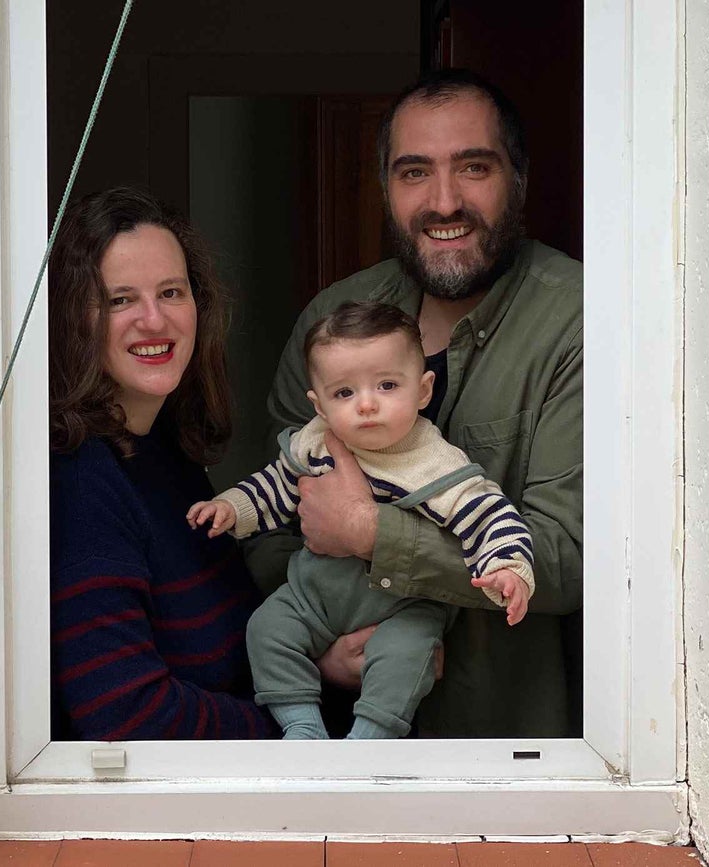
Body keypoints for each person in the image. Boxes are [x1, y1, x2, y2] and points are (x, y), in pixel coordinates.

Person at [244, 68, 584, 738]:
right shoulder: (330, 320)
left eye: (474, 167)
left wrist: (372, 534)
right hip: (337, 738)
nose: (445, 200)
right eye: (414, 172)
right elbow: (267, 531)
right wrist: (323, 645)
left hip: (504, 745)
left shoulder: (576, 319)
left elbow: (567, 557)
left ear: (520, 179)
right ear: (385, 189)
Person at [188, 302, 534, 739]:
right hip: (314, 598)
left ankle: (370, 737)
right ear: (319, 406)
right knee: (267, 628)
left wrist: (506, 566)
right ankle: (301, 725)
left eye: (387, 385)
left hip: (400, 609)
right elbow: (275, 488)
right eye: (344, 394)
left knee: (409, 652)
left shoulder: (433, 464)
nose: (367, 405)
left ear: (423, 390)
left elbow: (489, 515)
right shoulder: (315, 445)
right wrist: (232, 508)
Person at [47, 187, 275, 740]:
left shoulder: (165, 451)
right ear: (74, 319)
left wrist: (320, 668)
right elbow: (127, 718)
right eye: (119, 299)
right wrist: (290, 731)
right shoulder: (80, 480)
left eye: (170, 292)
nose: (154, 320)